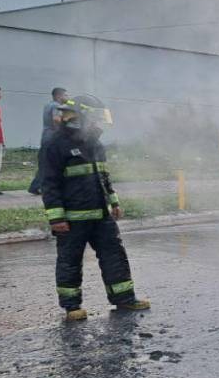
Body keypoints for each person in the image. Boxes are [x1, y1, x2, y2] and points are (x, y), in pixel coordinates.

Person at [40, 94, 150, 321]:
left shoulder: (95, 144)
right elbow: (49, 184)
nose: (98, 125)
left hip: (101, 216)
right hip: (72, 219)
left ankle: (124, 298)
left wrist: (114, 201)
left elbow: (104, 176)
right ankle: (72, 307)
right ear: (81, 118)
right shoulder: (55, 145)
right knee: (70, 261)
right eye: (95, 119)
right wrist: (56, 218)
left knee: (115, 256)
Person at [29, 87, 68, 195]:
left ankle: (35, 186)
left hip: (46, 137)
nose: (67, 97)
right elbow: (56, 120)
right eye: (65, 95)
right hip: (52, 138)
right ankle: (38, 186)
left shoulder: (48, 105)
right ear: (58, 96)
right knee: (49, 164)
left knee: (45, 163)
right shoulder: (56, 105)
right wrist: (61, 131)